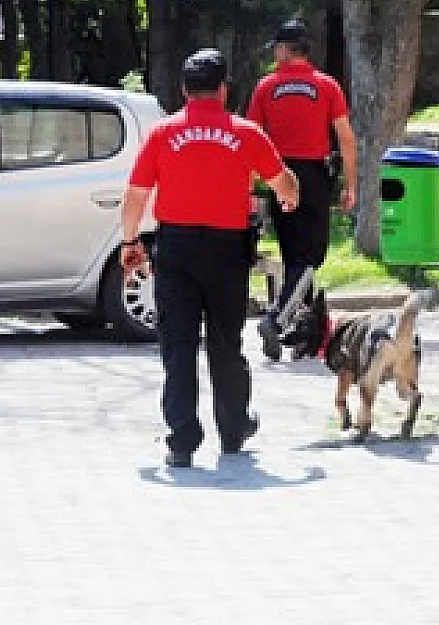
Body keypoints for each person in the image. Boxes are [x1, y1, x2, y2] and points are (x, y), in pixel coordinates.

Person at [120, 49, 300, 468]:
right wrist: (290, 195)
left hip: (176, 249)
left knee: (178, 345)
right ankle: (233, 429)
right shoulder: (246, 133)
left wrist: (130, 242)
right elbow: (282, 183)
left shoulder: (163, 134)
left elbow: (135, 195)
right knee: (225, 341)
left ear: (184, 90)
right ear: (224, 90)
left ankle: (181, 441)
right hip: (226, 251)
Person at [246, 17, 358, 361]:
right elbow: (346, 140)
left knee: (295, 255)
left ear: (283, 50)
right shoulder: (327, 87)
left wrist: (249, 188)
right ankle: (277, 318)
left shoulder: (266, 87)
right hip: (313, 176)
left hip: (278, 174)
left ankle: (306, 333)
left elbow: (251, 138)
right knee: (311, 257)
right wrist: (351, 184)